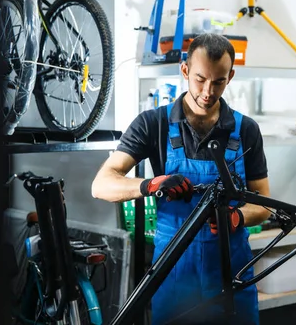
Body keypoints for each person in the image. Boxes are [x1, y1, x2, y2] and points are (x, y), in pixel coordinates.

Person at [91, 33, 271, 324]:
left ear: (231, 76)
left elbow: (263, 204)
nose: (208, 91)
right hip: (173, 277)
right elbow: (101, 185)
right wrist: (152, 184)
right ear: (185, 70)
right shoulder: (154, 124)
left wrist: (236, 217)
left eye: (218, 82)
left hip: (231, 277)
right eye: (200, 79)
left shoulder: (246, 130)